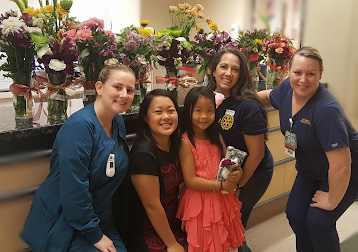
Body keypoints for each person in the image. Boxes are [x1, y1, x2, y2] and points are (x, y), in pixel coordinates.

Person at [21, 58, 135, 252]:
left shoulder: (117, 122)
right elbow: (74, 188)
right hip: (66, 226)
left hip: (101, 221)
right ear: (99, 87)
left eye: (130, 90)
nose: (124, 95)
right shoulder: (81, 126)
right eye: (117, 87)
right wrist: (95, 235)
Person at [257, 46, 358, 252]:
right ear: (289, 72)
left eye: (311, 74)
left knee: (318, 223)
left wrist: (331, 200)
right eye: (298, 73)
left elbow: (341, 166)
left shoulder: (325, 111)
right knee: (295, 214)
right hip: (311, 168)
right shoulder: (287, 89)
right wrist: (240, 100)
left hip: (347, 170)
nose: (303, 80)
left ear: (321, 75)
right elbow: (268, 96)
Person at [209, 48, 274, 230]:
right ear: (214, 70)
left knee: (234, 221)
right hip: (226, 171)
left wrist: (238, 185)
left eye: (235, 69)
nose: (228, 73)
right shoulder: (206, 100)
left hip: (254, 172)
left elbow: (257, 154)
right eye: (223, 67)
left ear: (242, 74)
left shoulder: (247, 106)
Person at [176, 86, 245, 252]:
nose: (204, 116)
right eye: (198, 110)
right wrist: (222, 186)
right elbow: (190, 180)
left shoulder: (216, 136)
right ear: (188, 112)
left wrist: (237, 173)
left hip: (221, 197)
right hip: (199, 201)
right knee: (205, 243)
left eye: (209, 110)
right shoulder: (185, 142)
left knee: (221, 240)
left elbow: (226, 163)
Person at [124, 89, 187, 252]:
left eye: (171, 111)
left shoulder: (175, 144)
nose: (166, 117)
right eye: (158, 112)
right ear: (146, 118)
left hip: (172, 223)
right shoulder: (143, 153)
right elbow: (152, 206)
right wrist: (172, 244)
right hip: (147, 231)